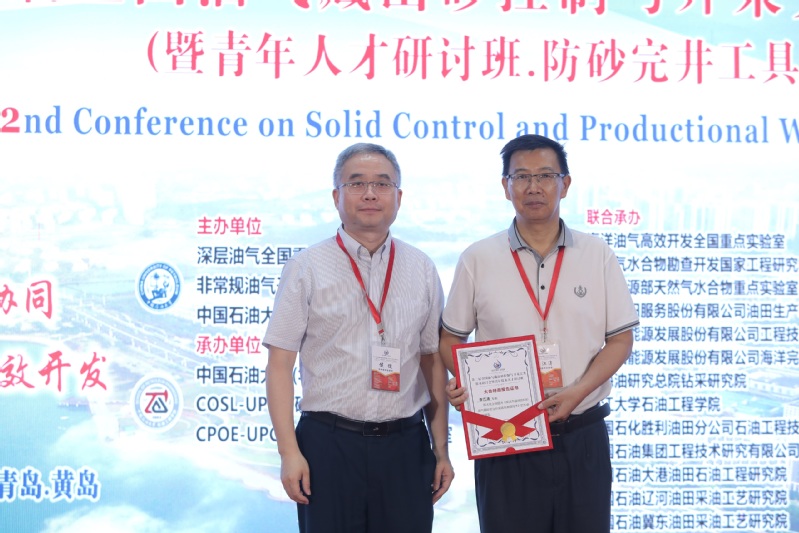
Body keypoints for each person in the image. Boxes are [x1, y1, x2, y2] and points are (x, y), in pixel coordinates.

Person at [439, 134, 639, 533]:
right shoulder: (478, 258)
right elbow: (450, 340)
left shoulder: (597, 254)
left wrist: (577, 392)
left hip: (582, 434)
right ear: (506, 186)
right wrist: (465, 383)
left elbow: (620, 339)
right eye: (522, 177)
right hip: (506, 436)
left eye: (546, 175)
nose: (534, 187)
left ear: (565, 184)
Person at [264, 143, 454, 533]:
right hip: (328, 445)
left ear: (399, 197)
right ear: (337, 196)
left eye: (382, 184)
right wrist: (288, 452)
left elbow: (430, 360)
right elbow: (279, 364)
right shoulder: (306, 267)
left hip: (405, 446)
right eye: (356, 183)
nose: (370, 194)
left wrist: (441, 450)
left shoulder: (421, 267)